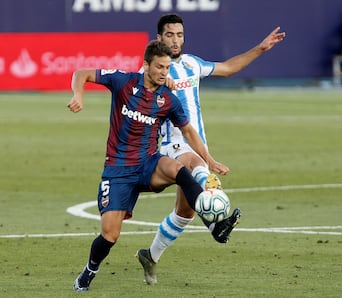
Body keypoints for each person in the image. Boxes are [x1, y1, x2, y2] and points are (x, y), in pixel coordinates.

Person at [136, 14, 285, 285]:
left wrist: (260, 48)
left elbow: (228, 68)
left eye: (180, 35)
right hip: (171, 145)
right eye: (169, 35)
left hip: (197, 141)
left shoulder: (192, 64)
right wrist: (157, 81)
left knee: (184, 213)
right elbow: (138, 92)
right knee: (197, 165)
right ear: (159, 38)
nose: (175, 40)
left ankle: (150, 255)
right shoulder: (153, 71)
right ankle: (218, 222)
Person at [68, 40, 229, 291]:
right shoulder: (123, 81)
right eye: (160, 67)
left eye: (167, 67)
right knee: (110, 235)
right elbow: (82, 73)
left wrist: (209, 159)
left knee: (179, 171)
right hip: (118, 170)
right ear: (146, 66)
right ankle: (89, 271)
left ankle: (214, 224)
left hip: (148, 164)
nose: (165, 72)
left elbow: (187, 130)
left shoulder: (168, 99)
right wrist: (78, 94)